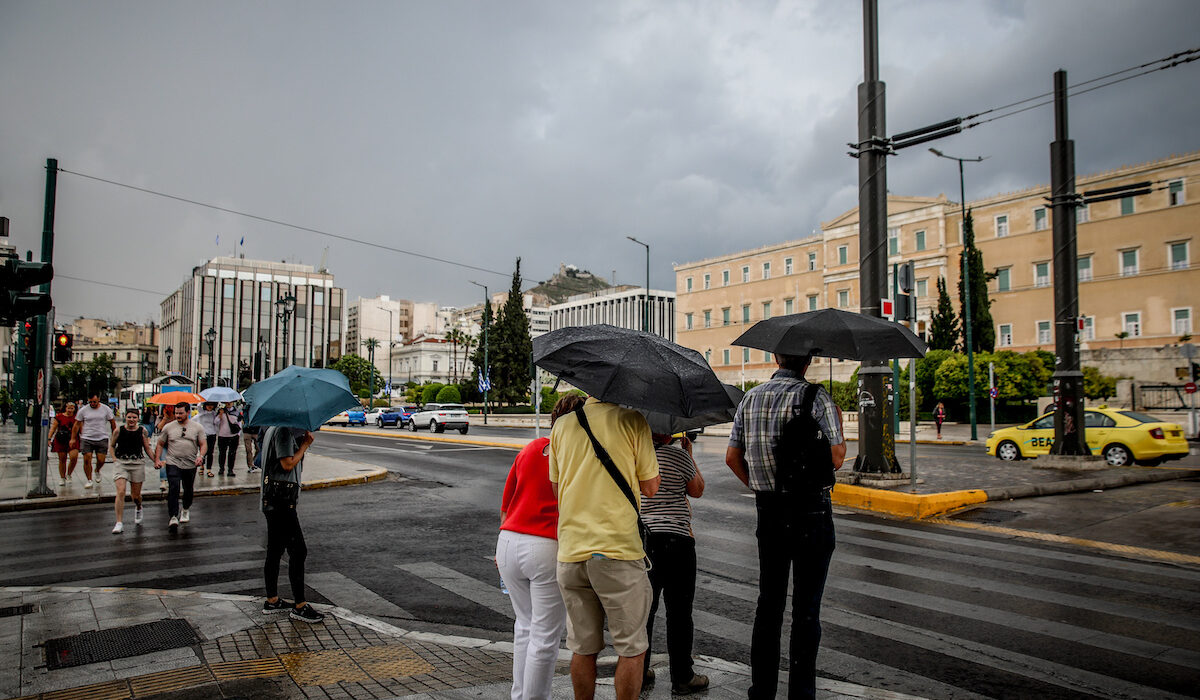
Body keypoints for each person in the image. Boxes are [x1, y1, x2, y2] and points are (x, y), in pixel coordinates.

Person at [725, 353, 845, 700]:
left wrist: (759, 487)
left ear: (776, 357)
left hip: (770, 511)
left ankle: (761, 691)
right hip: (811, 511)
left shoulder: (751, 397)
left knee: (769, 604)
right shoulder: (817, 398)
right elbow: (836, 457)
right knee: (807, 610)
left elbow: (732, 457)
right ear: (807, 361)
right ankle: (801, 694)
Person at [549, 395, 660, 700]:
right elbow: (651, 488)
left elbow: (557, 489)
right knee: (632, 649)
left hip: (572, 552)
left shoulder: (562, 425)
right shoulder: (633, 420)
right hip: (617, 550)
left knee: (583, 648)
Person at [496, 395, 584, 700]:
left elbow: (506, 504)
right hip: (545, 545)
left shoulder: (532, 448)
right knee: (546, 636)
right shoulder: (575, 454)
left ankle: (519, 695)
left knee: (524, 626)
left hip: (508, 541)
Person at [641, 433, 707, 694]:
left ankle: (640, 669)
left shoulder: (638, 456)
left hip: (645, 542)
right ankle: (682, 676)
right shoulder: (679, 455)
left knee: (645, 611)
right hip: (678, 541)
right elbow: (697, 490)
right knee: (679, 613)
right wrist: (689, 455)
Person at [260, 425, 323, 623]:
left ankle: (272, 600)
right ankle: (300, 605)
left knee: (275, 550)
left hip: (272, 498)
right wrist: (304, 445)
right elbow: (287, 464)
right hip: (282, 501)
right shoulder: (284, 431)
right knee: (298, 551)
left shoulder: (272, 428)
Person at [153, 401, 207, 531]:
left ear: (188, 413)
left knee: (188, 489)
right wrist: (157, 459)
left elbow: (203, 444)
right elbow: (160, 443)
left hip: (190, 463)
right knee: (173, 488)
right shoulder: (168, 427)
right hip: (173, 462)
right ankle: (173, 516)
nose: (178, 415)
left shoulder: (197, 427)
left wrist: (201, 456)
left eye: (181, 413)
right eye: (176, 413)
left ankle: (186, 508)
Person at [109, 408, 154, 534]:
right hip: (121, 463)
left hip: (137, 463)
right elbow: (112, 445)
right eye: (129, 417)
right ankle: (119, 522)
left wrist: (156, 460)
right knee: (121, 491)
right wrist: (114, 459)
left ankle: (139, 506)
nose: (131, 420)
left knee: (135, 495)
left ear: (138, 419)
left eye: (134, 417)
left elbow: (147, 448)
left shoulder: (142, 431)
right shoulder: (118, 430)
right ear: (125, 418)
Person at [72, 394, 117, 486]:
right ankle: (89, 480)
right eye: (90, 402)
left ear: (99, 400)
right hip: (87, 437)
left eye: (94, 402)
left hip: (102, 437)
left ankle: (97, 470)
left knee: (101, 460)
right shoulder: (83, 410)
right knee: (87, 459)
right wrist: (73, 438)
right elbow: (76, 424)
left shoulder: (106, 409)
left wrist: (114, 435)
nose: (92, 404)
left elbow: (112, 422)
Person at [48, 401, 80, 485]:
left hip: (73, 439)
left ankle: (69, 474)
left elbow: (81, 428)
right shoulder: (59, 417)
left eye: (71, 408)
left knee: (74, 457)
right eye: (68, 408)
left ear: (74, 409)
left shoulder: (77, 418)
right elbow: (53, 428)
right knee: (62, 459)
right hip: (61, 439)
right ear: (65, 408)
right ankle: (62, 477)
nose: (69, 410)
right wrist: (49, 438)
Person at [215, 405, 242, 476]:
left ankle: (230, 470)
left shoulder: (236, 412)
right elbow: (215, 422)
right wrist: (220, 415)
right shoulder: (221, 411)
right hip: (222, 436)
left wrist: (238, 434)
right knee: (222, 453)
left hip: (233, 436)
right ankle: (221, 468)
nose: (228, 403)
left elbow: (239, 423)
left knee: (232, 454)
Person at [195, 402, 219, 477]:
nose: (210, 406)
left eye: (211, 405)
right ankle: (201, 467)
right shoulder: (202, 412)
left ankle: (209, 469)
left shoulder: (214, 413)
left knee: (210, 452)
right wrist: (202, 400)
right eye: (208, 405)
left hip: (212, 434)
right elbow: (198, 405)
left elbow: (217, 422)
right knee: (203, 452)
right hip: (203, 435)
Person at [242, 405, 260, 473]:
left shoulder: (258, 407)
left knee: (258, 449)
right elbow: (244, 418)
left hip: (256, 430)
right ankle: (250, 465)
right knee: (248, 449)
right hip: (247, 430)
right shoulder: (246, 409)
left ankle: (253, 461)